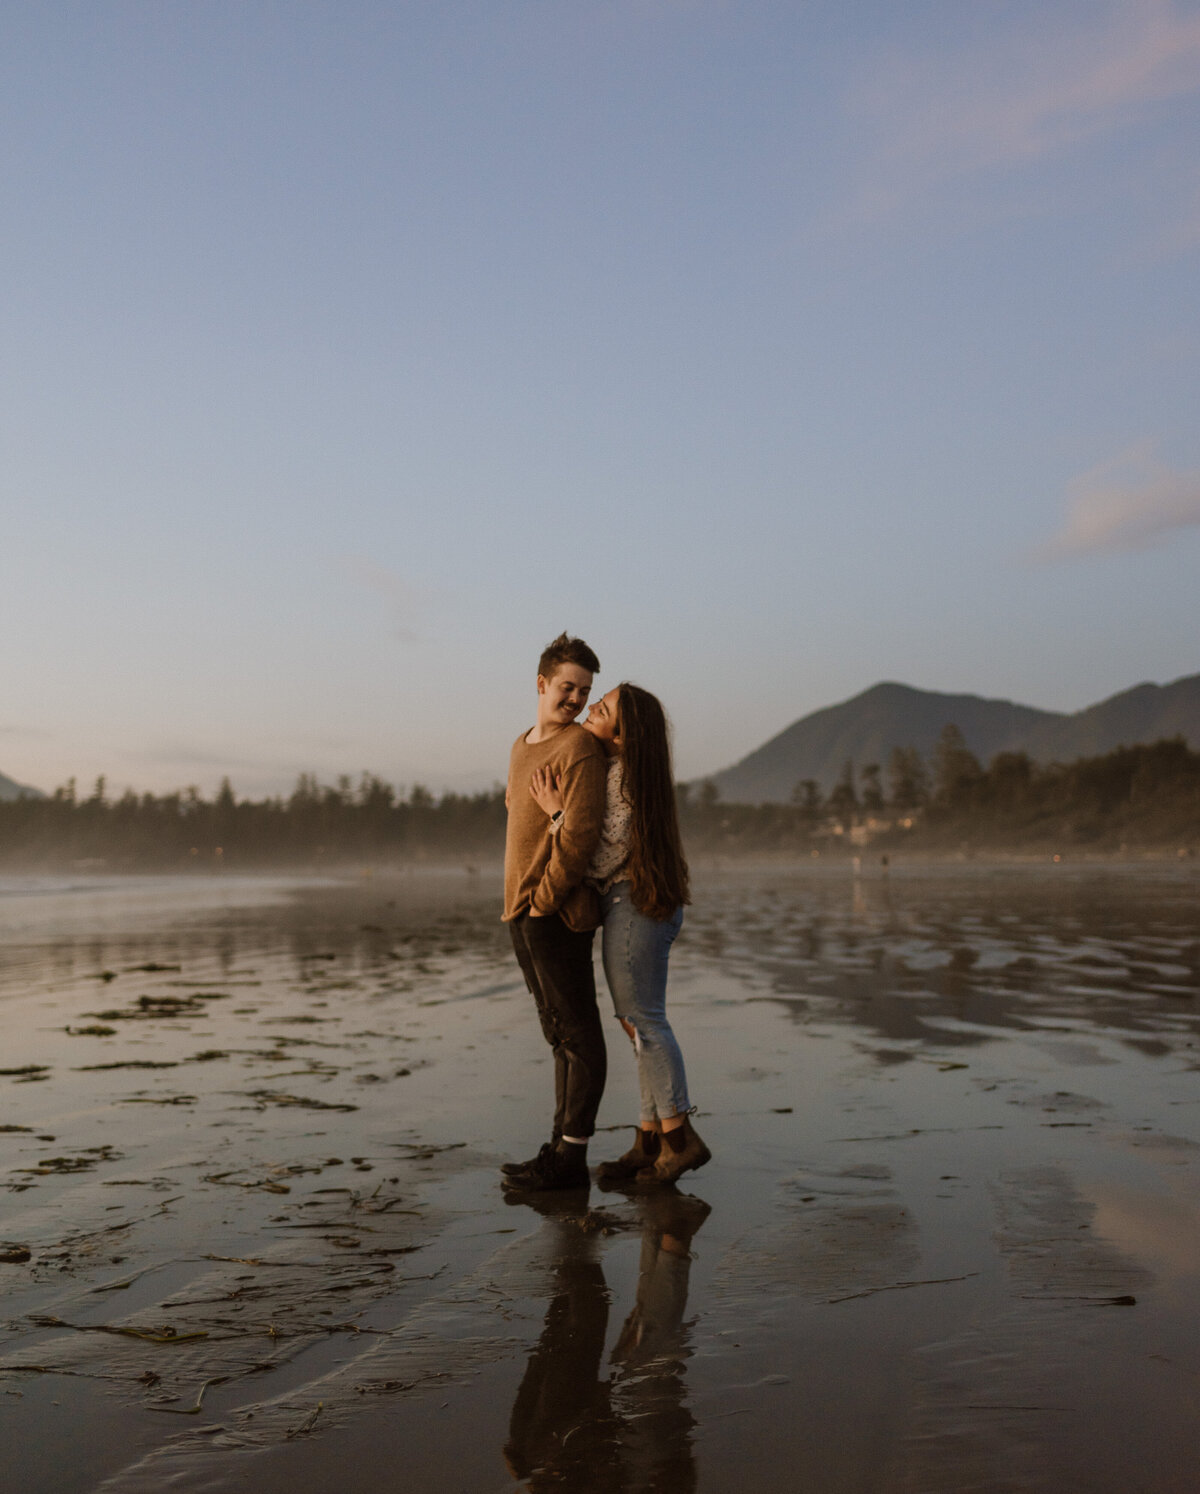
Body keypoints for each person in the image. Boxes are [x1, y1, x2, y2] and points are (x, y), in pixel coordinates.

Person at [529, 682, 710, 1184]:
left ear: (623, 736)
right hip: (639, 905)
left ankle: (679, 1141)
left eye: (601, 709)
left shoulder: (622, 780)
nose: (589, 711)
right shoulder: (625, 773)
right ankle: (648, 1142)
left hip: (635, 903)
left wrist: (556, 814)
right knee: (639, 1027)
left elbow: (603, 850)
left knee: (644, 1023)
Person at [501, 632, 609, 1192]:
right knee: (557, 1032)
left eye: (584, 692)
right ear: (541, 684)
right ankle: (560, 1149)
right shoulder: (521, 746)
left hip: (555, 914)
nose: (575, 700)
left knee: (579, 1032)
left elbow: (582, 836)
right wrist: (524, 906)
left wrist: (544, 902)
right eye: (567, 687)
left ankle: (572, 1156)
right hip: (519, 910)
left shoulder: (581, 749)